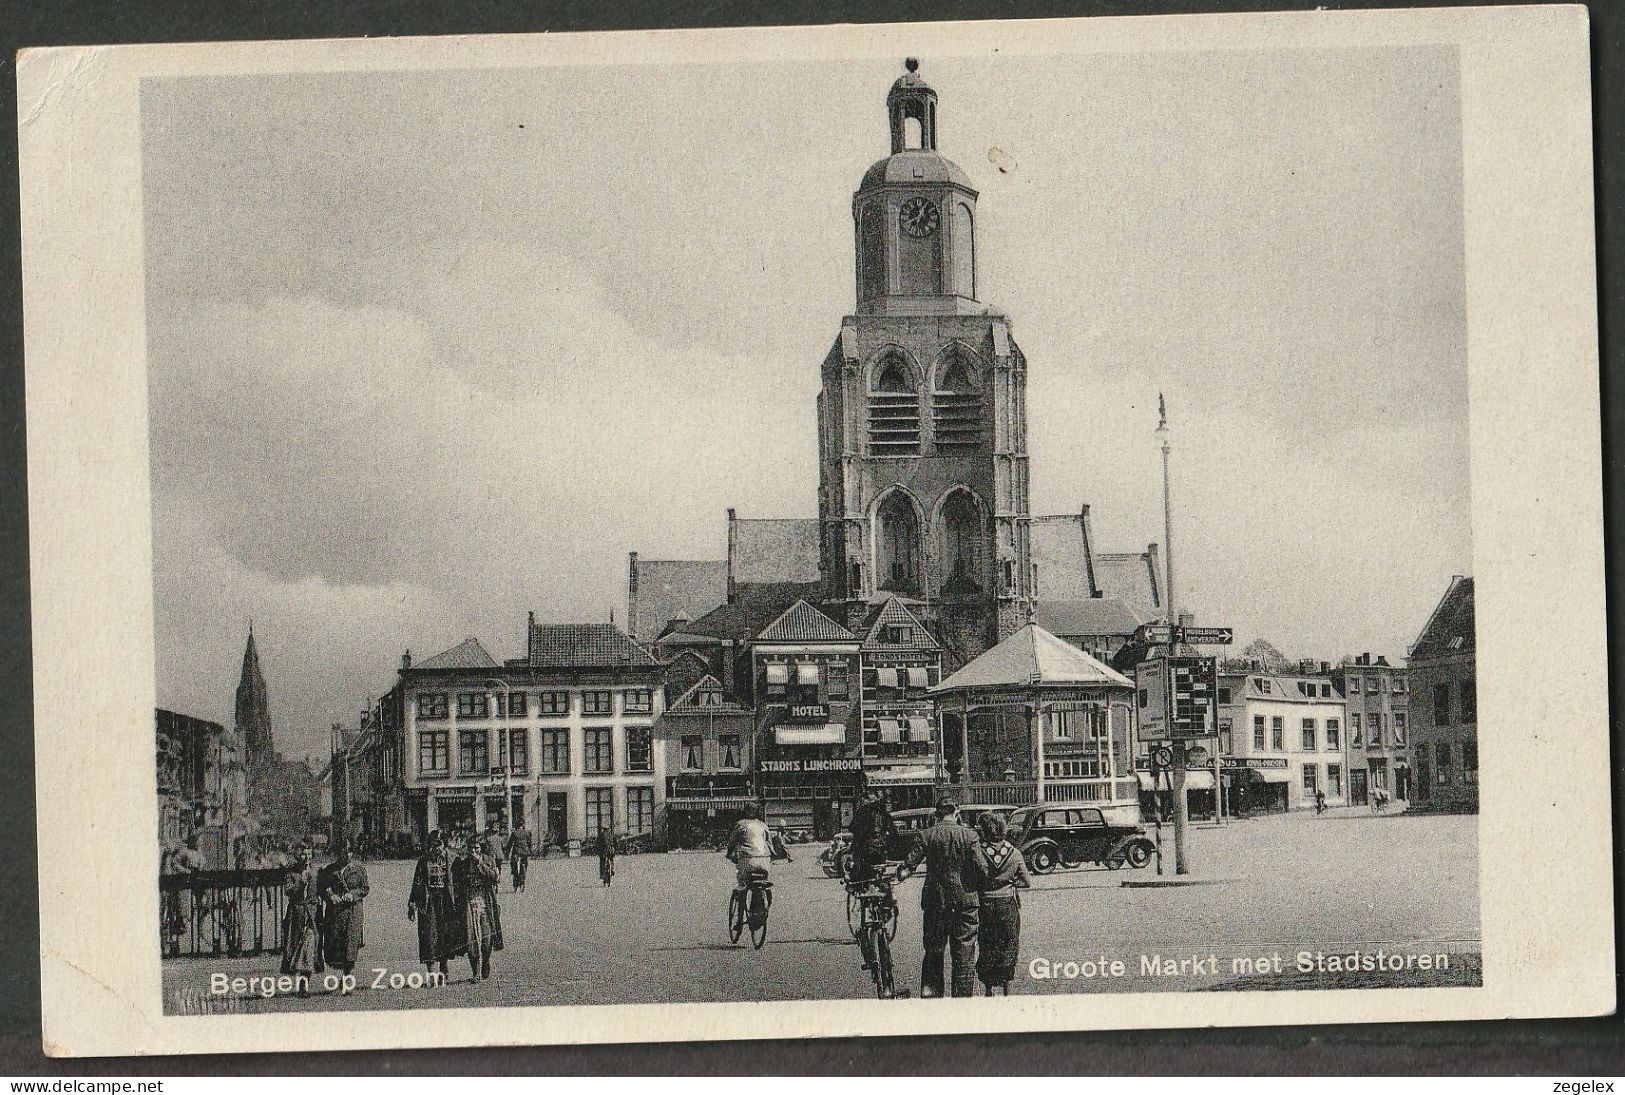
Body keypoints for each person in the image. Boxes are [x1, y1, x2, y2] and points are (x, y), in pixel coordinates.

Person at [896, 799, 984, 998]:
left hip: (935, 902)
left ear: (936, 814)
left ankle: (933, 1000)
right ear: (956, 812)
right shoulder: (970, 836)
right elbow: (982, 868)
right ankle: (962, 1002)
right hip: (965, 902)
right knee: (964, 955)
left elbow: (909, 866)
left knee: (934, 952)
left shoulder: (926, 835)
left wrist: (898, 876)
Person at [974, 813, 1031, 996]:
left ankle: (989, 988)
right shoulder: (1014, 853)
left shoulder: (979, 852)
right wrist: (1011, 882)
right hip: (1007, 903)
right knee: (1008, 943)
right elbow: (1026, 881)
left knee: (987, 944)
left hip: (985, 904)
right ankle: (1007, 985)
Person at [407, 829, 463, 981]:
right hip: (429, 901)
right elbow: (417, 883)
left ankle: (443, 967)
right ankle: (431, 972)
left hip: (446, 901)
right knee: (429, 935)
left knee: (444, 935)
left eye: (439, 843)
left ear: (444, 843)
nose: (436, 847)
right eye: (433, 844)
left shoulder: (453, 858)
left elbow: (460, 882)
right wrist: (412, 904)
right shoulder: (424, 860)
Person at [317, 839, 369, 988]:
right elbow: (322, 887)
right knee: (335, 943)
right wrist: (330, 896)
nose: (346, 855)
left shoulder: (359, 869)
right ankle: (341, 974)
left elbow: (365, 888)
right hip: (335, 913)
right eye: (342, 852)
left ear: (352, 853)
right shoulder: (329, 870)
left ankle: (347, 976)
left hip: (353, 912)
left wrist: (353, 895)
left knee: (351, 944)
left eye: (348, 851)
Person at [452, 837, 503, 981]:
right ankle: (475, 972)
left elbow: (495, 877)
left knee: (487, 938)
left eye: (477, 848)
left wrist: (480, 863)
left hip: (486, 903)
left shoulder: (488, 860)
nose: (473, 851)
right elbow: (457, 883)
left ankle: (485, 961)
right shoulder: (462, 864)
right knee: (471, 938)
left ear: (481, 849)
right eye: (471, 849)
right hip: (469, 903)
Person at [279, 843, 324, 994]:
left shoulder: (317, 872)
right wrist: (301, 885)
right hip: (296, 913)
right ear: (299, 855)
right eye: (304, 854)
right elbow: (288, 891)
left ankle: (304, 984)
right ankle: (300, 981)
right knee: (296, 947)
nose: (307, 857)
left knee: (309, 947)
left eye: (309, 854)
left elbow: (322, 890)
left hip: (312, 915)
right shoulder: (291, 872)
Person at [847, 784, 896, 885]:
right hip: (881, 849)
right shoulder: (883, 813)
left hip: (865, 850)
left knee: (859, 875)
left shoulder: (861, 812)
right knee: (880, 874)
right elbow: (893, 832)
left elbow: (852, 828)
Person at [726, 803, 774, 899]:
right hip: (764, 861)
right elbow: (769, 843)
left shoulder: (741, 824)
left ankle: (740, 904)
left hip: (748, 860)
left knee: (742, 883)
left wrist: (729, 853)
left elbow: (732, 841)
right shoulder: (763, 825)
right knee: (764, 881)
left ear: (745, 811)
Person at [505, 825, 534, 892]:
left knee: (514, 867)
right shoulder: (526, 833)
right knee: (523, 867)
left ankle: (516, 883)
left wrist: (507, 853)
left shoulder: (514, 833)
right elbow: (529, 843)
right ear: (522, 826)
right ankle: (522, 882)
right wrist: (530, 851)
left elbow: (510, 843)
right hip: (524, 853)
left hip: (516, 853)